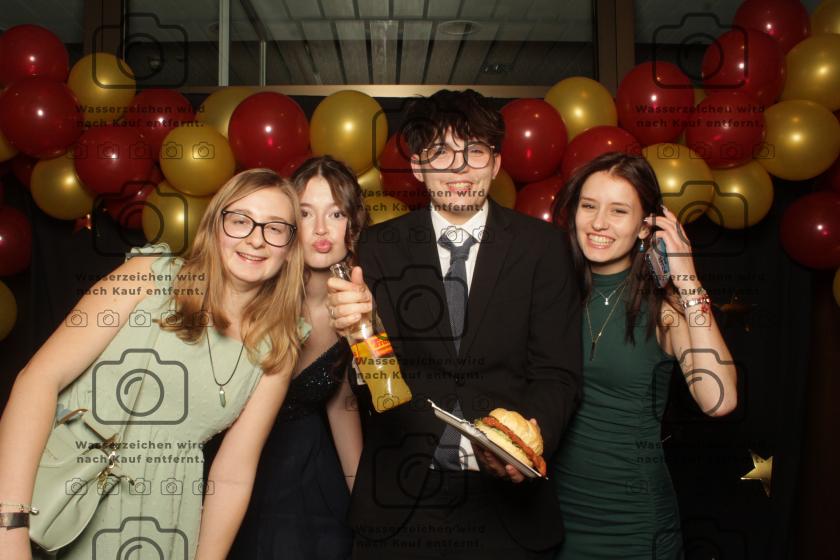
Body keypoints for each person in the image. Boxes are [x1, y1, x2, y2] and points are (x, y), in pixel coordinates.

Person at [327, 89, 583, 560]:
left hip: (509, 509)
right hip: (400, 501)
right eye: (440, 152)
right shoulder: (378, 248)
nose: (459, 168)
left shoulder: (543, 248)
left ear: (496, 163)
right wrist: (360, 339)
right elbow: (370, 387)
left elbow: (558, 374)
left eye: (475, 151)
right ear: (418, 167)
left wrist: (522, 446)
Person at [0, 169, 307, 560]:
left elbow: (232, 476)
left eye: (275, 228)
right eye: (240, 220)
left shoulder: (277, 345)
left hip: (158, 520)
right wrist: (9, 526)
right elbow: (39, 379)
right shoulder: (148, 276)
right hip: (51, 488)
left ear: (290, 248)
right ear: (215, 225)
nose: (255, 239)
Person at [551, 152, 738, 559]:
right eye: (589, 206)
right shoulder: (553, 290)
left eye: (619, 211)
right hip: (553, 516)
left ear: (644, 226)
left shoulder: (665, 307)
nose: (599, 223)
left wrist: (687, 278)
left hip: (633, 525)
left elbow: (719, 400)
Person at [227, 156, 365, 560]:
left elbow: (341, 404)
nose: (321, 229)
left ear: (353, 224)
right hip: (235, 464)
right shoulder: (252, 290)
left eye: (336, 213)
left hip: (309, 468)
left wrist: (366, 507)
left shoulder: (358, 307)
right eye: (305, 214)